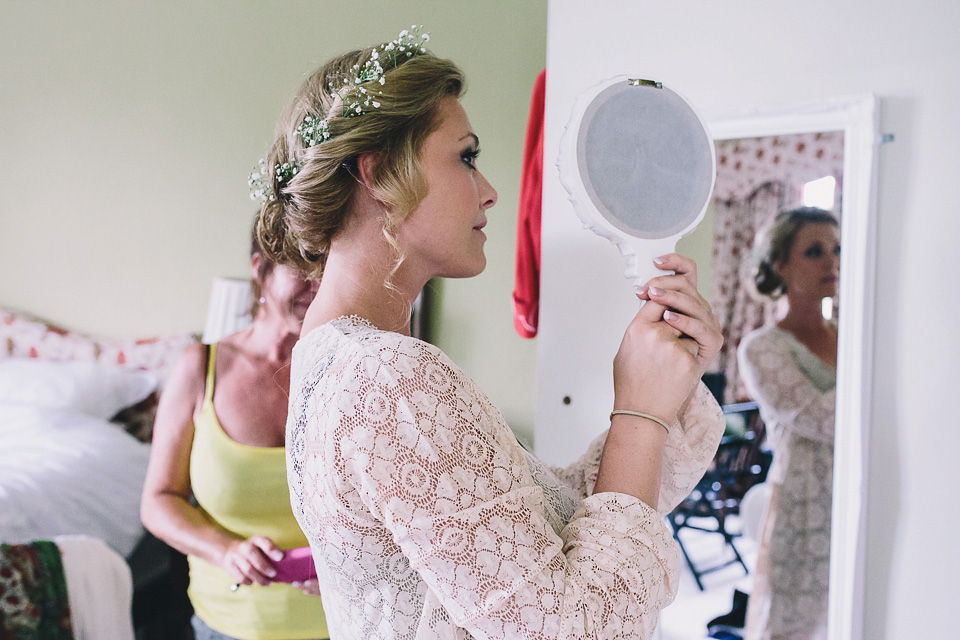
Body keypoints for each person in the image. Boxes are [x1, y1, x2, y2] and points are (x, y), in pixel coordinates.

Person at [254, 27, 726, 640]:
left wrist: (663, 396)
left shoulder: (338, 362)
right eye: (466, 157)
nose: (490, 190)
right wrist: (638, 414)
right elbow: (571, 629)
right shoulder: (387, 379)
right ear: (377, 176)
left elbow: (549, 528)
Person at [140, 225, 329, 640]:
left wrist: (349, 564)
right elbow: (158, 502)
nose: (317, 283)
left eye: (329, 267)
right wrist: (225, 551)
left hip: (342, 623)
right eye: (303, 264)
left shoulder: (355, 374)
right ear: (260, 268)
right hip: (225, 625)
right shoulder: (202, 367)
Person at [737, 207, 840, 640]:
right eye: (814, 251)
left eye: (837, 250)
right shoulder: (760, 349)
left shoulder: (855, 333)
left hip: (861, 492)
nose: (832, 262)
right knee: (793, 625)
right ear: (779, 264)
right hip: (805, 503)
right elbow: (819, 418)